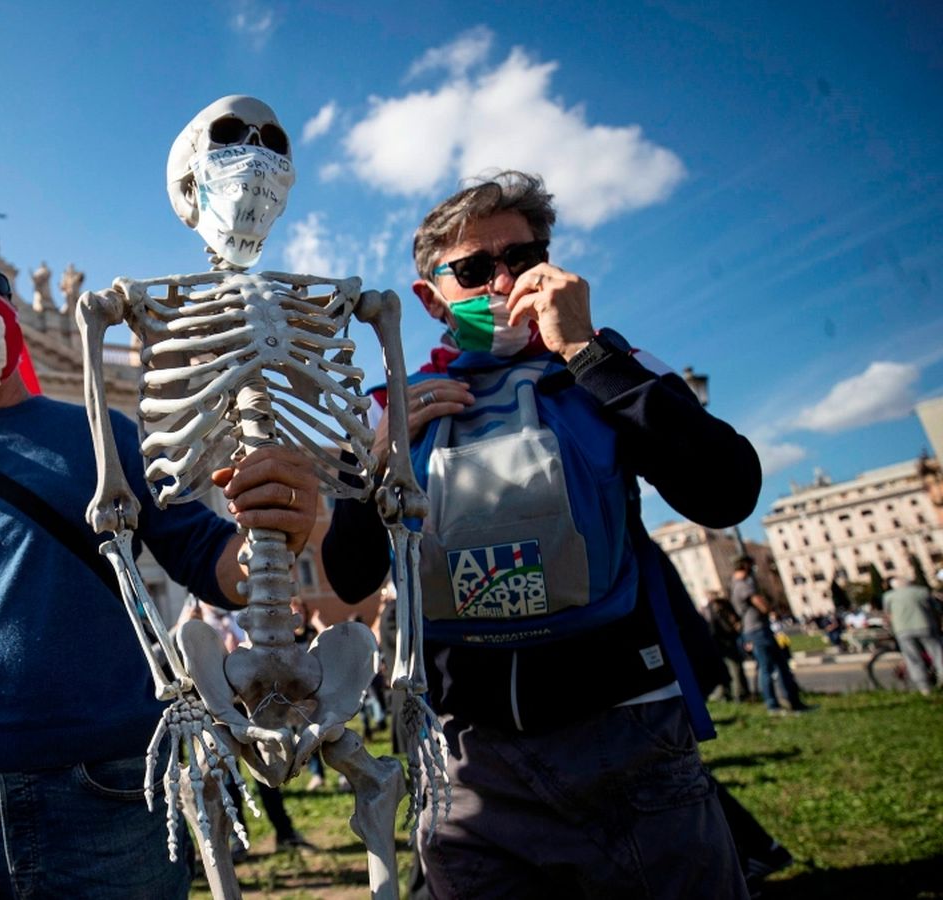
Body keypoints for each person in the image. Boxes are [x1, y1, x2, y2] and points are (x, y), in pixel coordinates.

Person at [322, 171, 758, 898]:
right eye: (472, 269)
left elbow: (726, 491)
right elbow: (348, 577)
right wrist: (377, 477)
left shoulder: (610, 367)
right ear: (431, 298)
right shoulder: (381, 410)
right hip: (466, 758)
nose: (504, 281)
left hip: (628, 738)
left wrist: (586, 354)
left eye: (522, 258)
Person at [0, 245, 320, 900]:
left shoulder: (105, 434)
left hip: (106, 793)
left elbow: (213, 564)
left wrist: (272, 534)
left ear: (12, 308)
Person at [732, 557, 812, 713]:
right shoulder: (743, 586)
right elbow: (760, 603)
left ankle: (790, 702)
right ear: (745, 566)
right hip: (758, 630)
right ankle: (774, 704)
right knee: (768, 667)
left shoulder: (735, 586)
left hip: (756, 630)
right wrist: (770, 609)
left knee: (776, 666)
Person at [881, 575, 943, 693]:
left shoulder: (889, 596)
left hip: (902, 630)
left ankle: (924, 688)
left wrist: (890, 629)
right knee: (937, 654)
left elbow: (888, 616)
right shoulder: (922, 592)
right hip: (925, 626)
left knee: (913, 658)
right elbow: (935, 610)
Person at [708, 595, 752, 701]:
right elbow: (722, 631)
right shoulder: (717, 616)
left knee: (736, 669)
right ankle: (738, 695)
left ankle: (740, 693)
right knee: (734, 669)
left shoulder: (719, 614)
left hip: (728, 645)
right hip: (726, 647)